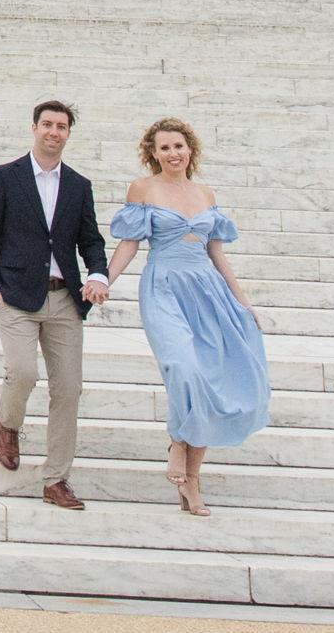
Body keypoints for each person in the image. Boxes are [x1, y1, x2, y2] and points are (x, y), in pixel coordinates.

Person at [104, 118, 269, 517]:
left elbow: (217, 254)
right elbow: (129, 244)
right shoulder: (143, 189)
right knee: (184, 367)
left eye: (178, 146)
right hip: (164, 285)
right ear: (153, 153)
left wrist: (243, 303)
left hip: (207, 289)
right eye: (164, 148)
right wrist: (103, 280)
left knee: (212, 376)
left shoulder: (205, 194)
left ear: (190, 149)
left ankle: (191, 479)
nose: (173, 153)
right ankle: (179, 442)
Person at [0, 98, 110, 511]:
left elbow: (91, 240)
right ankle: (8, 424)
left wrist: (98, 274)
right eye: (47, 124)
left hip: (65, 298)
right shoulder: (6, 176)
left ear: (68, 133)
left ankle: (56, 479)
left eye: (61, 126)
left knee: (69, 388)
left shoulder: (79, 186)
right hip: (15, 296)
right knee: (23, 372)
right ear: (34, 127)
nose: (54, 132)